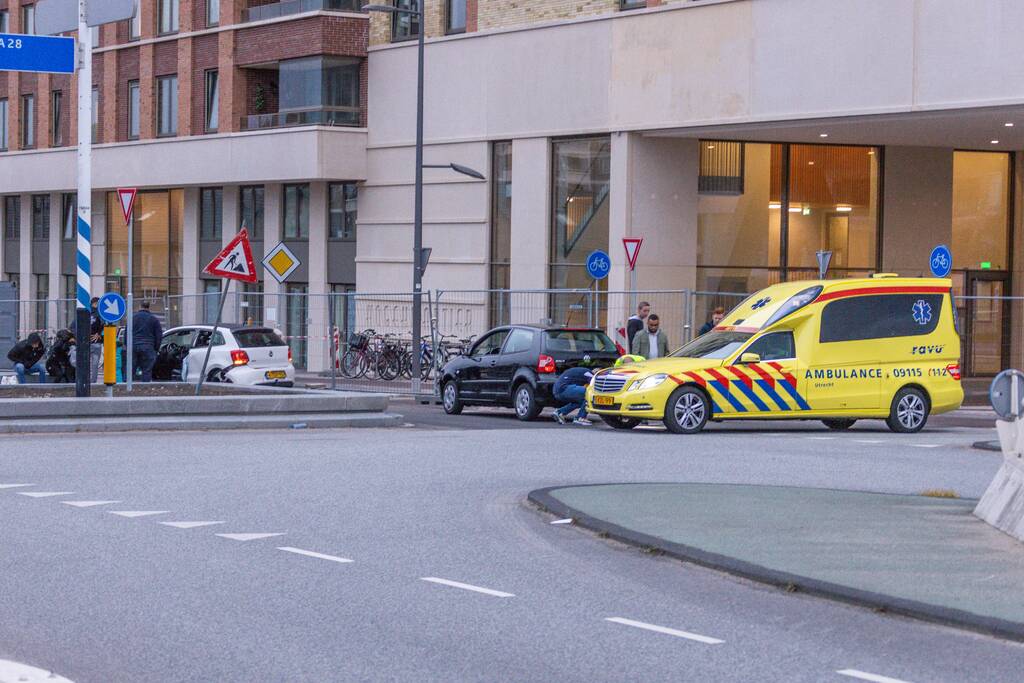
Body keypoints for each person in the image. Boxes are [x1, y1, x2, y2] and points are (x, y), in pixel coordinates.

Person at [131, 301, 163, 382]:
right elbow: (159, 336)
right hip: (148, 347)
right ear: (149, 307)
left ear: (140, 306)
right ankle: (144, 387)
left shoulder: (132, 318)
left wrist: (127, 346)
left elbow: (127, 334)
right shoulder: (154, 319)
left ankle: (130, 388)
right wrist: (156, 349)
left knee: (131, 371)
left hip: (133, 347)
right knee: (147, 371)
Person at [89, 297, 104, 383]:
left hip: (85, 342)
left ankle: (84, 379)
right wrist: (98, 333)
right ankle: (93, 381)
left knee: (84, 363)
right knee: (95, 364)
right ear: (96, 303)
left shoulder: (85, 312)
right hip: (96, 342)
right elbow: (103, 323)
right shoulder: (99, 313)